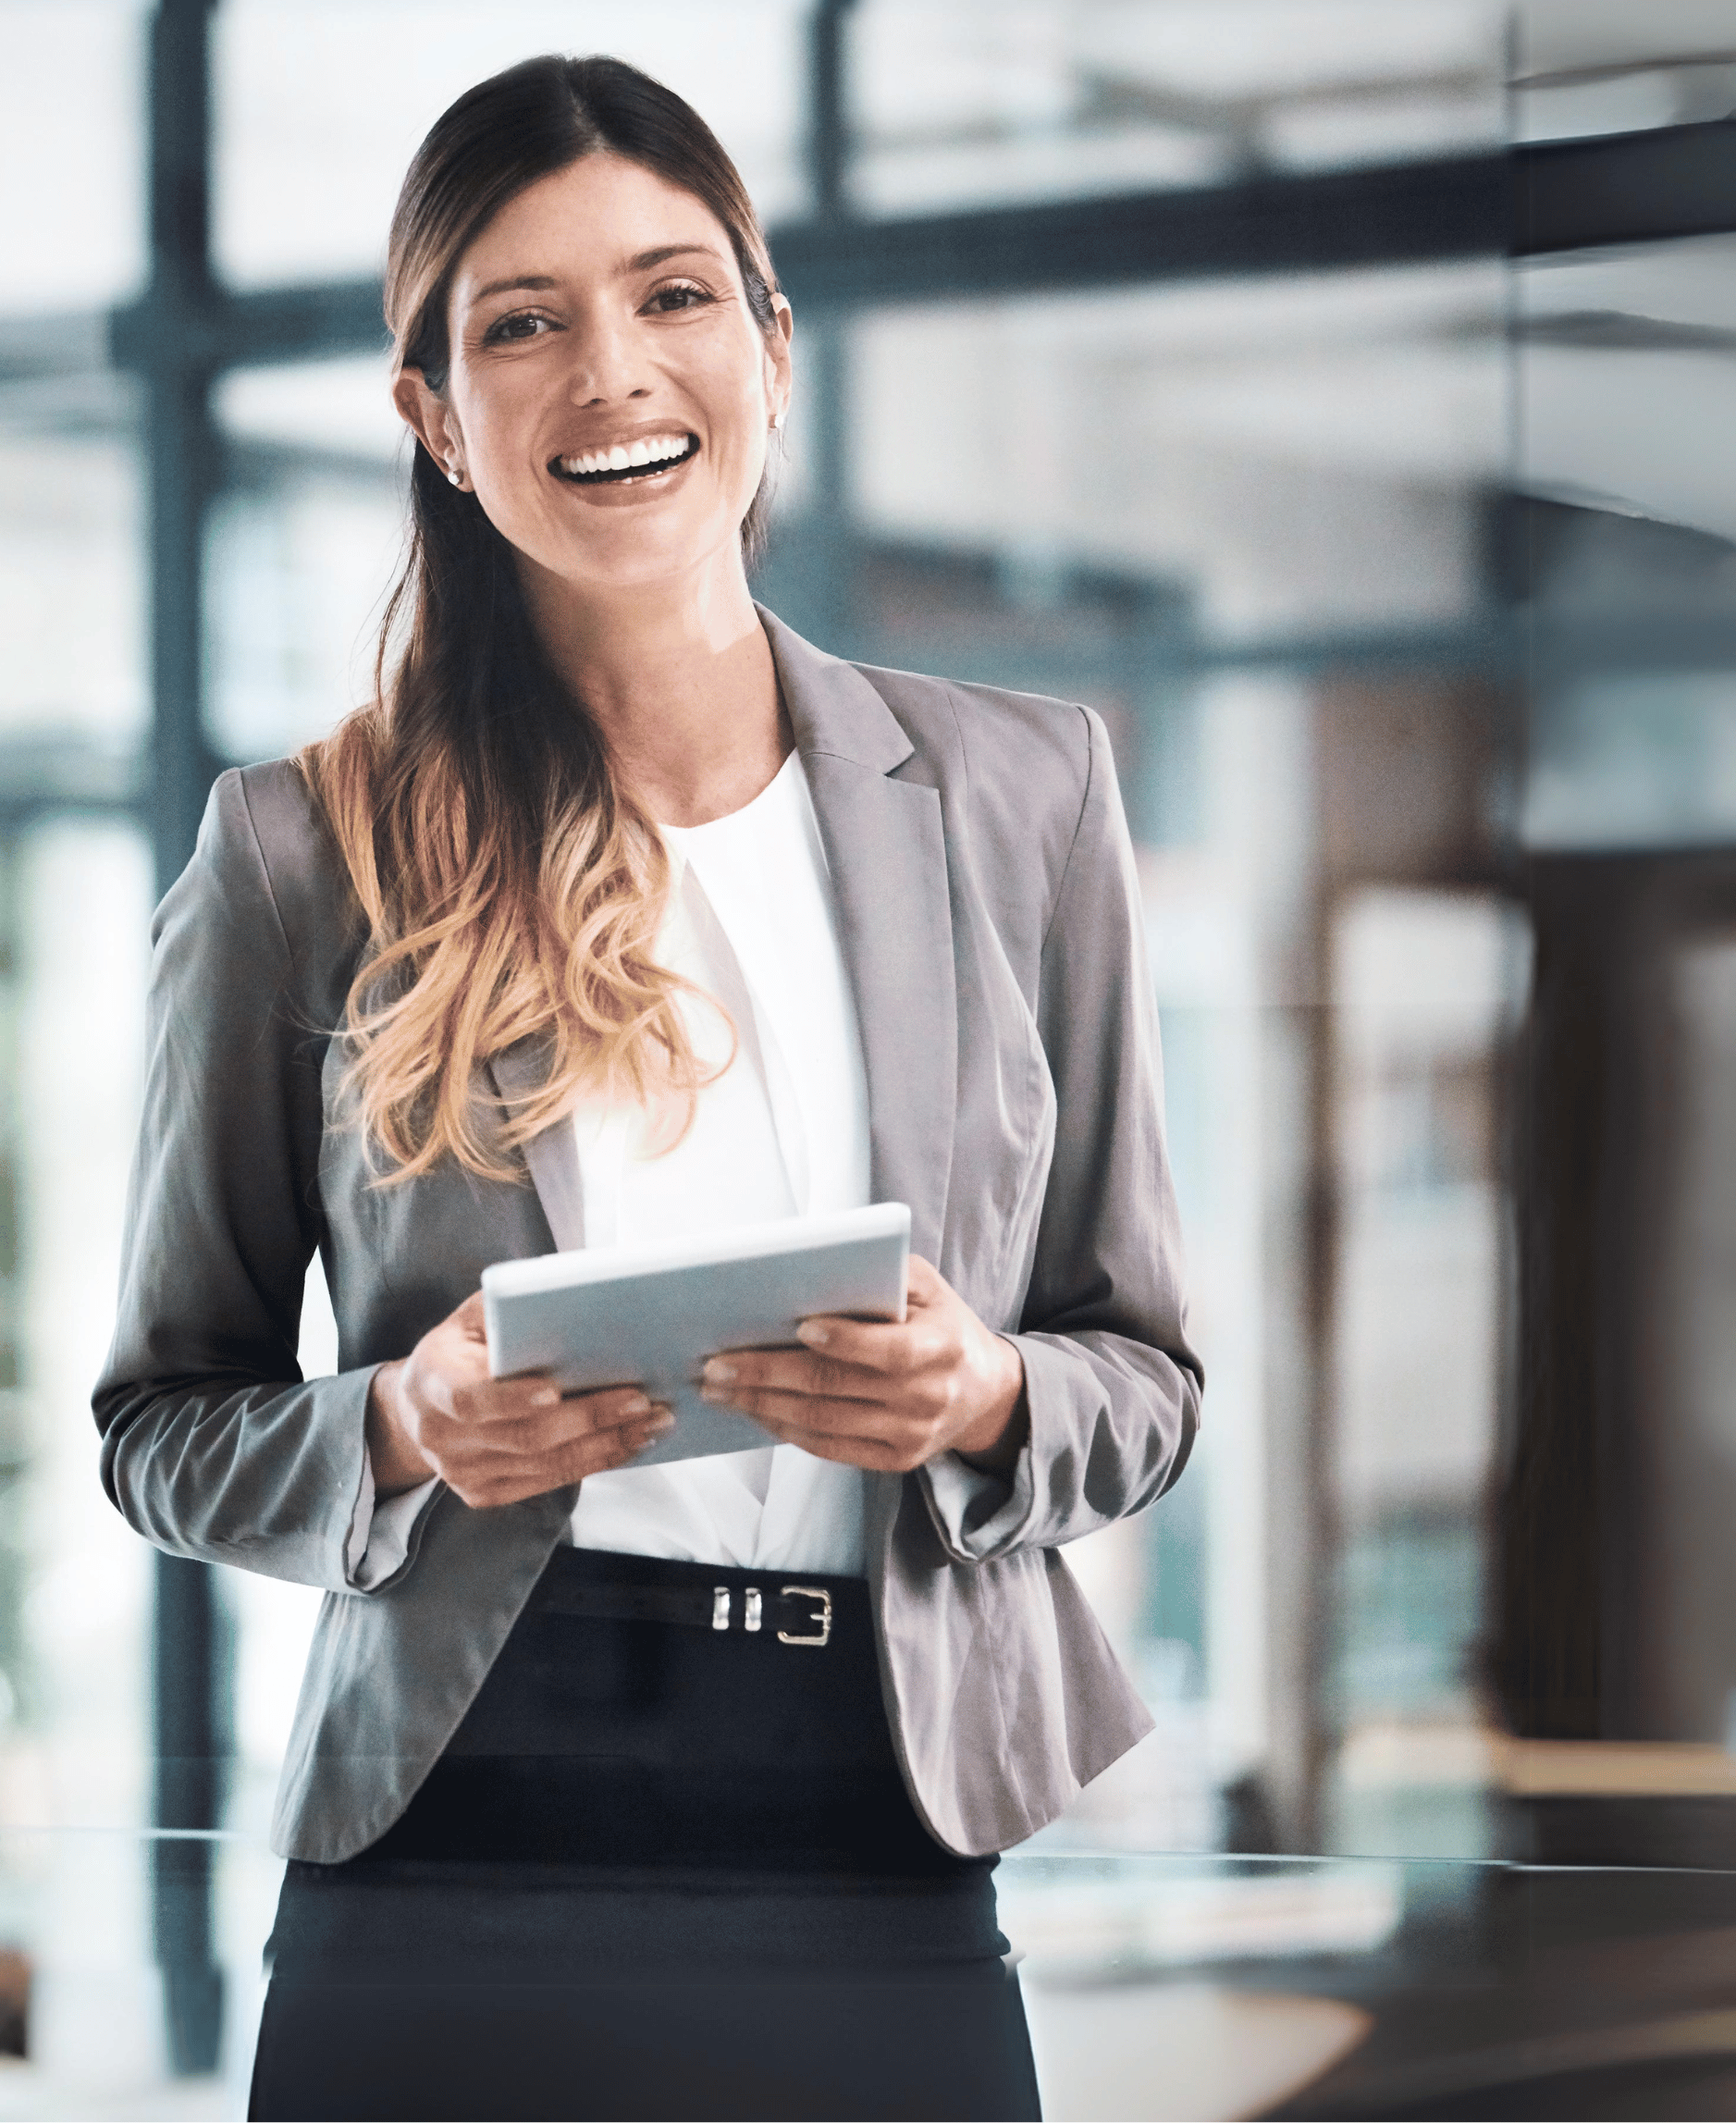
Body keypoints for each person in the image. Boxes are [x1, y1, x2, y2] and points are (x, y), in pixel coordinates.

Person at [93, 56, 1198, 2122]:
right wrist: (398, 1426)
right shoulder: (297, 855)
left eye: (675, 295)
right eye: (524, 322)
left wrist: (985, 1399)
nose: (614, 372)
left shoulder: (1025, 795)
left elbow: (1145, 1378)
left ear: (772, 349)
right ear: (434, 411)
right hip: (457, 1831)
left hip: (883, 1820)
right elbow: (163, 1424)